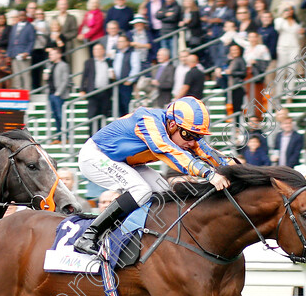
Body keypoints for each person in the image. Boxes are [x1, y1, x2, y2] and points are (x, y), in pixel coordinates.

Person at [74, 97, 232, 255]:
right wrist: (209, 174)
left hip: (126, 162)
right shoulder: (148, 121)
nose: (192, 142)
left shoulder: (181, 131)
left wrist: (238, 170)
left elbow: (208, 153)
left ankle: (143, 237)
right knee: (140, 190)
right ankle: (89, 236)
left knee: (166, 194)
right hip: (96, 156)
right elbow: (168, 150)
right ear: (172, 125)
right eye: (189, 136)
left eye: (197, 137)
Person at [45, 48, 69, 139]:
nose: (50, 56)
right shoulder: (50, 65)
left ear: (59, 55)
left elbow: (65, 80)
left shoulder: (63, 65)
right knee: (55, 115)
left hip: (58, 94)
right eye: (50, 54)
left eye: (52, 54)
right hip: (51, 93)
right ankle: (59, 136)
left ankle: (65, 136)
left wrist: (58, 92)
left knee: (60, 115)